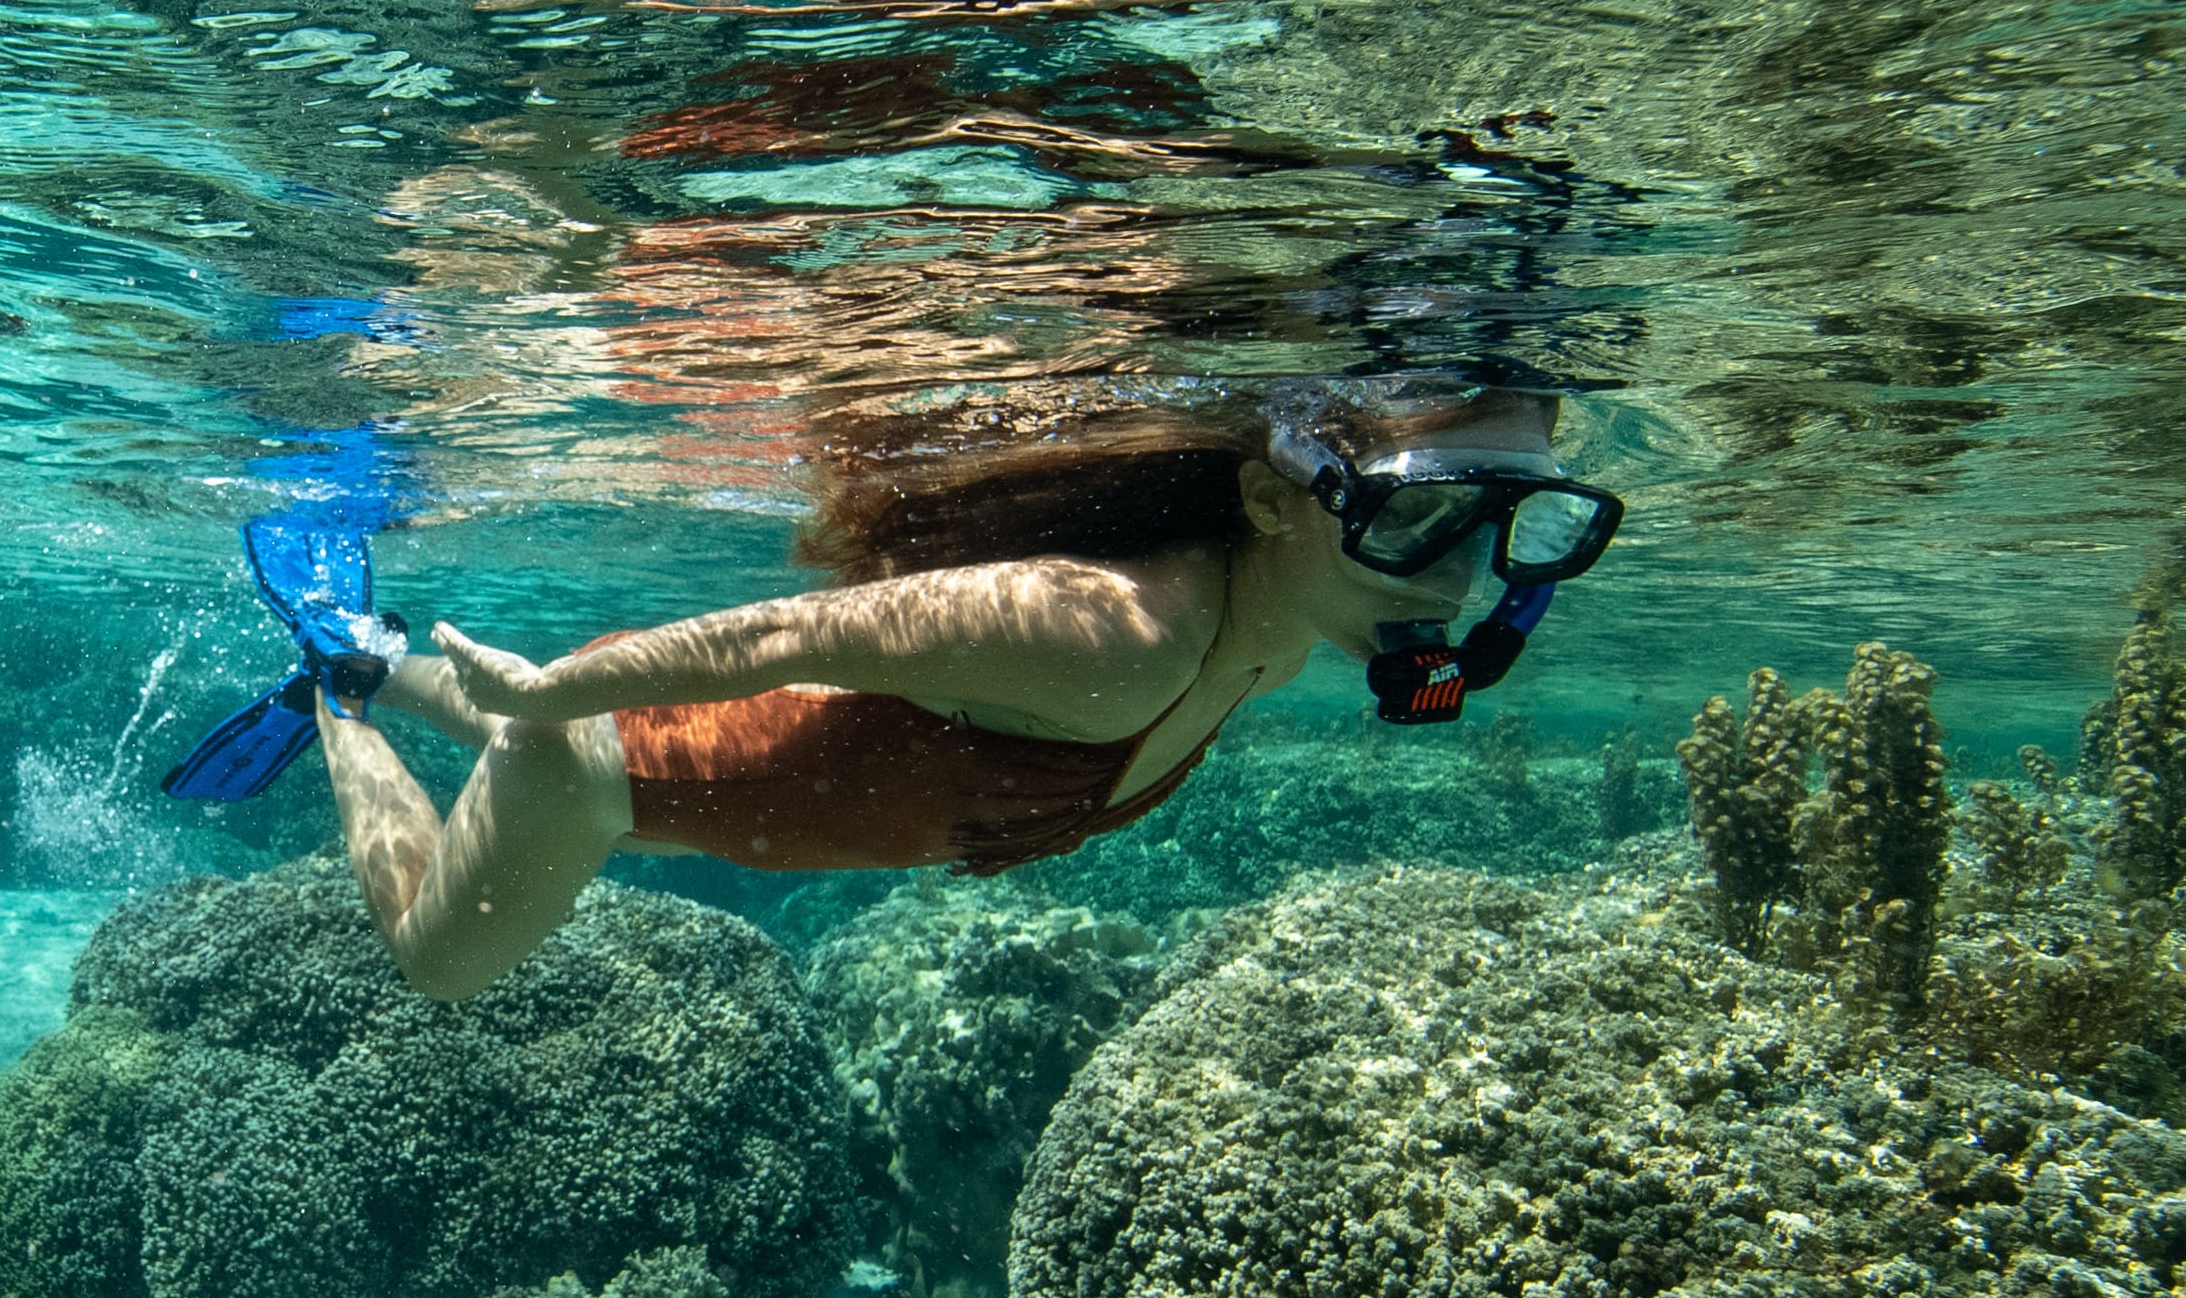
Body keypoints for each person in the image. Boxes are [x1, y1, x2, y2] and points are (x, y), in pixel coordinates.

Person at [165, 380, 1620, 1001]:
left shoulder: (1299, 620)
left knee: (525, 720)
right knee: (435, 956)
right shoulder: (1114, 637)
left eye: (1505, 517)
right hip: (587, 773)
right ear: (1270, 494)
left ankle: (358, 644)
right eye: (1416, 510)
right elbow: (778, 642)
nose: (1454, 576)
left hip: (646, 747)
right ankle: (334, 699)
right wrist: (551, 693)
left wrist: (542, 696)